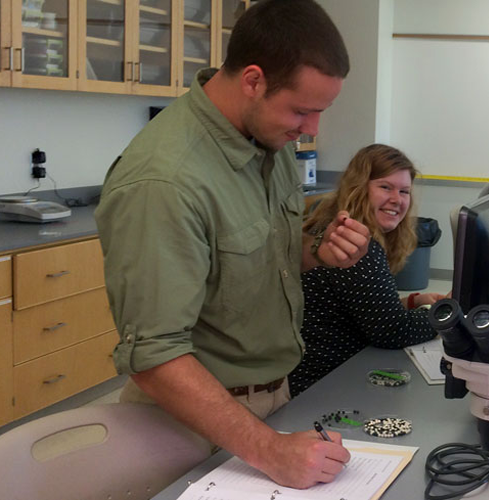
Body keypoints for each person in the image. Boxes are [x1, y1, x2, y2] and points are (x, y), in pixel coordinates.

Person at [95, 0, 370, 489]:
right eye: (303, 111)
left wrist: (318, 251)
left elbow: (261, 255)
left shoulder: (269, 142)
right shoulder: (165, 182)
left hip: (275, 400)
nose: (312, 130)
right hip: (190, 425)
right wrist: (267, 449)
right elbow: (155, 357)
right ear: (253, 80)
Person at [289, 144, 444, 397]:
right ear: (360, 189)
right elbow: (392, 330)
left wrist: (414, 302)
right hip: (319, 385)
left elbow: (365, 310)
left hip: (319, 375)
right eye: (385, 187)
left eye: (404, 191)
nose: (397, 199)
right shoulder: (356, 245)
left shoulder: (333, 227)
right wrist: (443, 316)